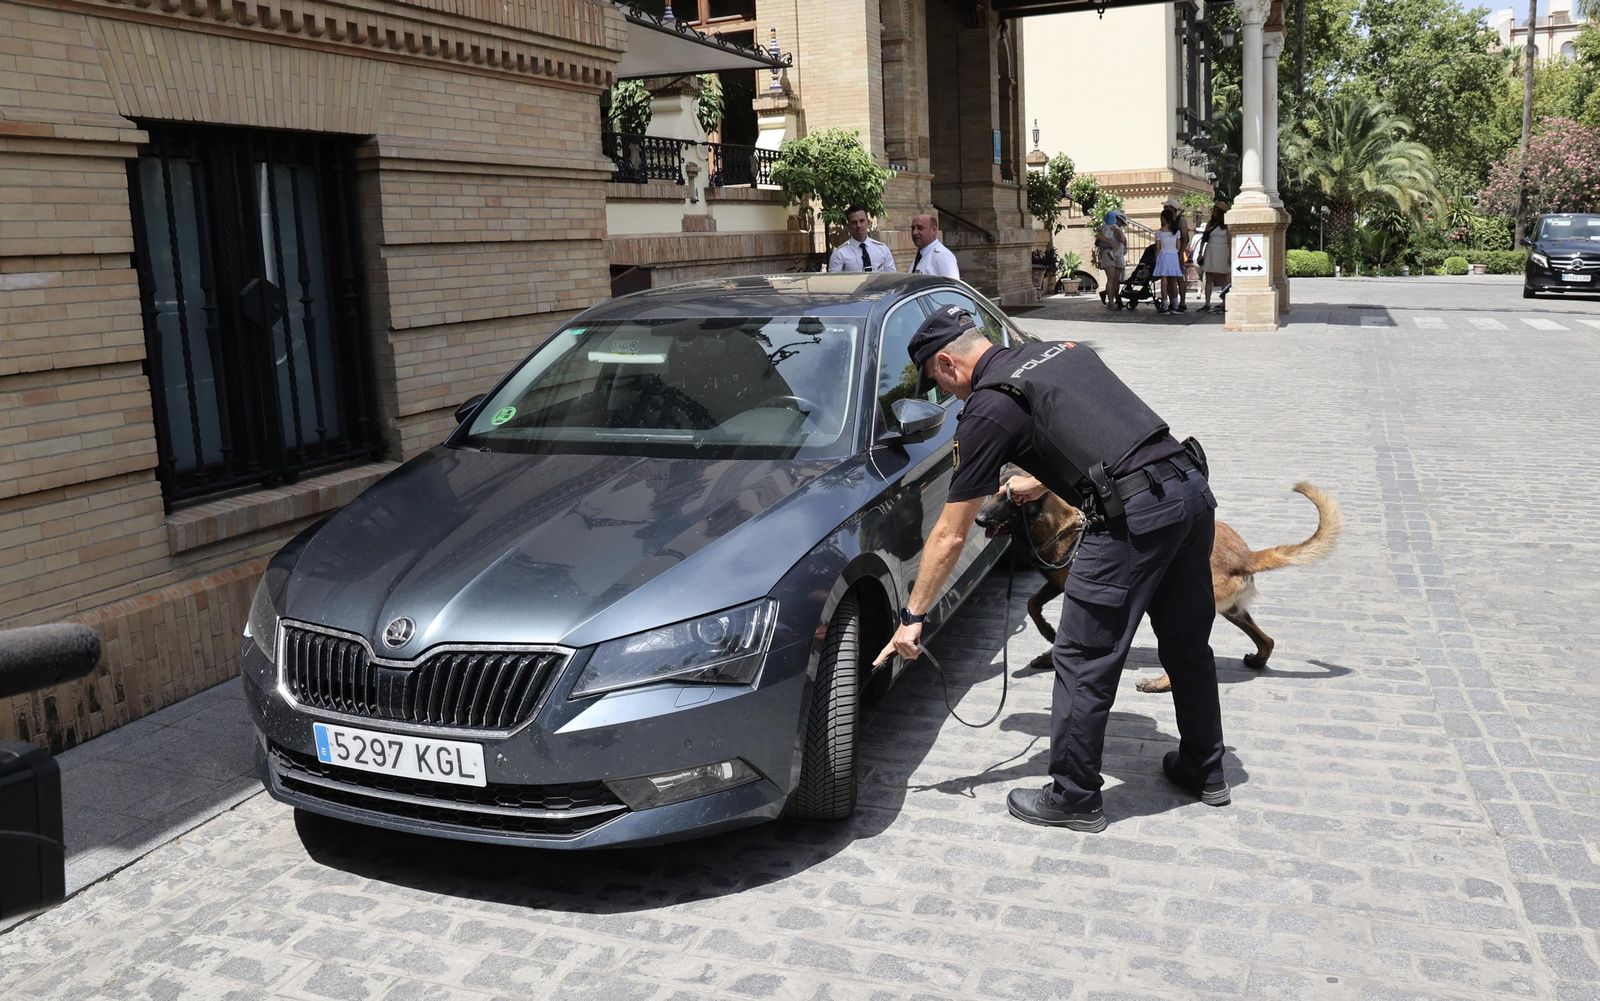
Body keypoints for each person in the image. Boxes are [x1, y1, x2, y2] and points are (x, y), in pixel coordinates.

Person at [872, 305, 1228, 832]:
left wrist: (913, 615)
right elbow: (1099, 432)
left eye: (939, 384)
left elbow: (950, 532)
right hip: (1189, 491)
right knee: (1186, 645)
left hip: (1132, 520)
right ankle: (1205, 768)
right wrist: (1041, 480)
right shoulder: (1058, 350)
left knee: (1083, 658)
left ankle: (1075, 797)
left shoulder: (989, 408)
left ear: (947, 363)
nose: (948, 396)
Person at [827, 204, 897, 273]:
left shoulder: (882, 250)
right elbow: (834, 282)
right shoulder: (839, 254)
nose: (858, 225)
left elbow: (891, 279)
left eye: (862, 221)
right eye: (854, 222)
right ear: (848, 226)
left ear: (868, 222)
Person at [1198, 204, 1230, 312]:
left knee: (1223, 278)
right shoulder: (1210, 223)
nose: (1213, 212)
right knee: (1209, 277)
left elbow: (1230, 240)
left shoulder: (1227, 225)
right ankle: (1207, 303)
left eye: (1215, 210)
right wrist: (1200, 252)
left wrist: (1230, 255)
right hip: (1211, 250)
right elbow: (1204, 238)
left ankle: (1225, 302)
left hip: (1222, 250)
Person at [909, 212, 960, 279]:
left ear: (934, 230)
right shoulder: (920, 256)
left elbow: (951, 287)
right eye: (913, 228)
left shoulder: (943, 256)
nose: (914, 232)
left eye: (920, 228)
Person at [1153, 206, 1185, 314]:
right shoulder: (1176, 232)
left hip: (1163, 256)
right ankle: (1175, 305)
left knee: (1164, 281)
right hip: (1173, 256)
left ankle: (1165, 305)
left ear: (1163, 219)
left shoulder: (1159, 233)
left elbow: (1157, 248)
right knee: (1173, 282)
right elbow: (1178, 247)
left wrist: (1156, 259)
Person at [1096, 211, 1127, 310]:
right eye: (1120, 220)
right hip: (1107, 253)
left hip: (1118, 254)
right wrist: (1109, 241)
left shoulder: (1117, 229)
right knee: (1111, 278)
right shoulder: (1106, 228)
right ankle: (1111, 302)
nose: (1121, 223)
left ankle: (1114, 299)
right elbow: (1097, 240)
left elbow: (1123, 241)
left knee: (1116, 280)